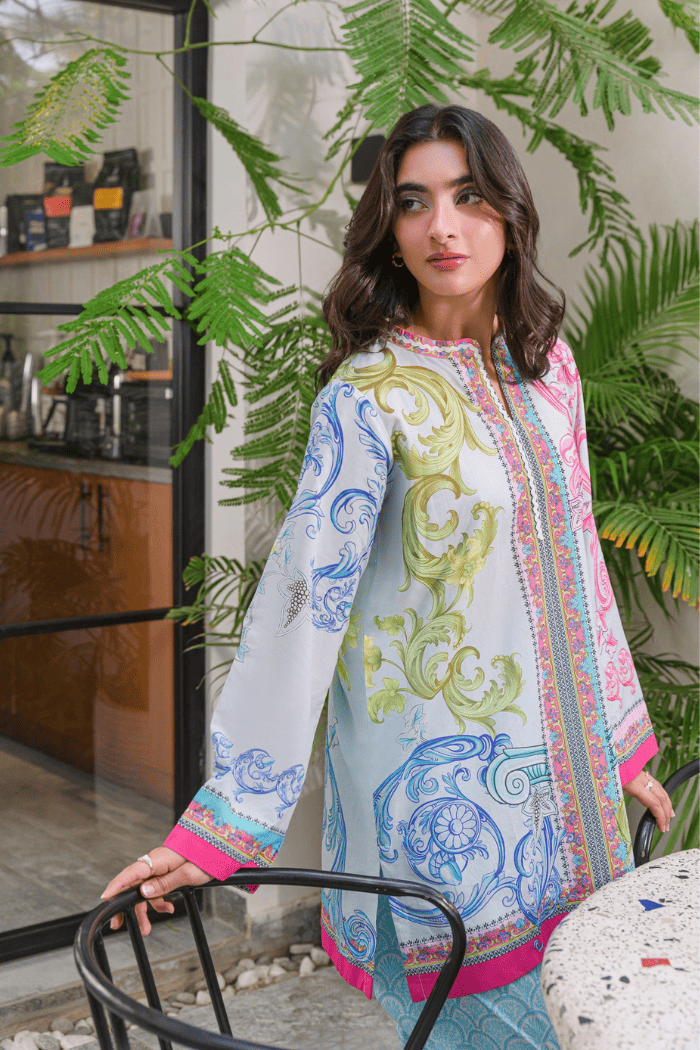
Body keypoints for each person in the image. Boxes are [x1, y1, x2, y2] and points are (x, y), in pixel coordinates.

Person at [103, 105, 674, 1049]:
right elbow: (301, 611)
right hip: (443, 811)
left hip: (570, 794)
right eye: (414, 202)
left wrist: (620, 742)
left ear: (511, 214)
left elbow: (579, 561)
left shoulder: (548, 371)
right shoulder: (365, 399)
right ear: (389, 226)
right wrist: (217, 829)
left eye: (470, 196)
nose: (442, 227)